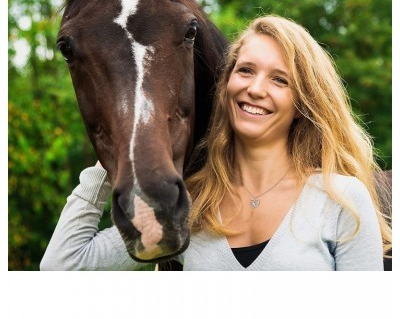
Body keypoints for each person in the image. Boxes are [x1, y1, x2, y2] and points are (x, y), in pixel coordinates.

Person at [40, 15, 391, 271]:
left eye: (279, 80)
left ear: (301, 104)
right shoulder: (189, 205)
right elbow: (64, 266)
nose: (255, 88)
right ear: (225, 85)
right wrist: (124, 137)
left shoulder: (340, 199)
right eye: (246, 70)